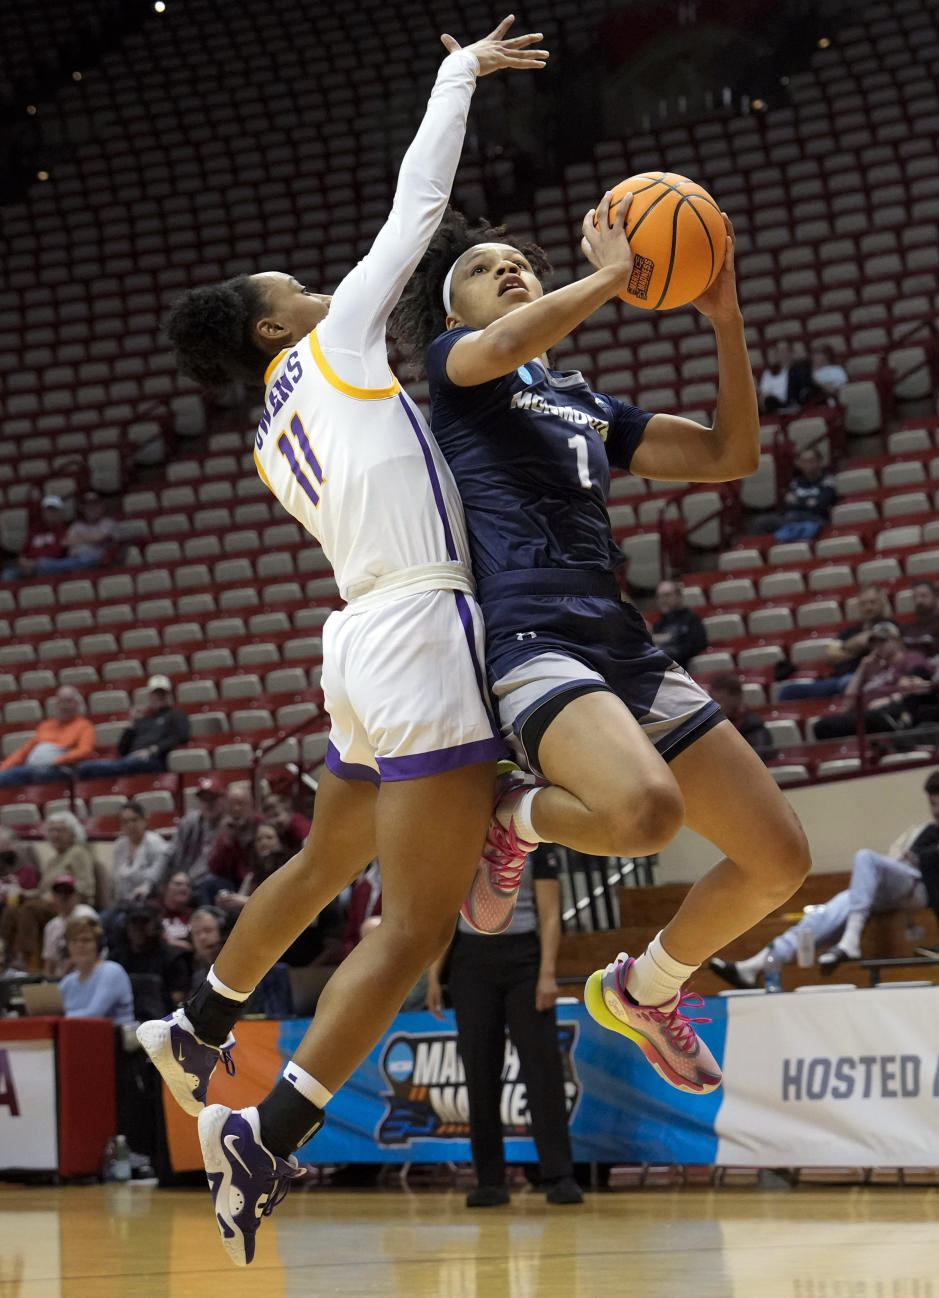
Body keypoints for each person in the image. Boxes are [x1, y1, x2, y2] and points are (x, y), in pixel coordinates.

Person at [135, 20, 548, 1268]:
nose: (311, 285)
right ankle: (269, 1124)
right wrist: (456, 73)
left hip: (356, 634)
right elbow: (419, 206)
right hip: (418, 621)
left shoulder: (270, 425)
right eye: (288, 288)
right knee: (416, 926)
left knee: (325, 859)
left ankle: (198, 1020)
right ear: (273, 328)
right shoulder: (332, 344)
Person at [391, 199, 808, 1091]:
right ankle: (518, 819)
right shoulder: (458, 367)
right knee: (644, 813)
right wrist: (612, 277)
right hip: (532, 633)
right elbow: (503, 349)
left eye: (519, 262)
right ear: (453, 310)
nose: (507, 270)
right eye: (482, 268)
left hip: (620, 638)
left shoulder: (585, 402)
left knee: (780, 862)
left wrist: (725, 321)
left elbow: (732, 453)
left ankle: (646, 988)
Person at [429, 844, 582, 1207]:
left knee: (542, 1068)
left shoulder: (536, 839)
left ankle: (559, 1175)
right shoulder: (460, 834)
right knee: (479, 1070)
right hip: (470, 960)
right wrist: (434, 974)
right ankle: (490, 1180)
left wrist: (547, 973)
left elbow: (549, 914)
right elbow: (446, 912)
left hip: (524, 961)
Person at [712, 769, 939, 983]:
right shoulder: (917, 831)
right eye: (934, 803)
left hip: (926, 888)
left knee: (865, 857)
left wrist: (921, 860)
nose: (937, 810)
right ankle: (754, 966)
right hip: (897, 887)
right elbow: (891, 861)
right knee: (828, 911)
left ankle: (850, 940)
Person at [1, 811, 97, 971]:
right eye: (52, 830)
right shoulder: (53, 860)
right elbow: (41, 892)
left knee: (29, 909)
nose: (55, 835)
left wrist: (61, 897)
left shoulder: (78, 854)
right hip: (46, 904)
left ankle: (24, 959)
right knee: (11, 910)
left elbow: (86, 888)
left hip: (68, 904)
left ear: (73, 833)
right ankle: (4, 954)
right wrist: (22, 893)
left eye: (60, 830)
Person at [811, 621, 932, 740]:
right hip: (867, 715)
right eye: (874, 644)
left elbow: (919, 683)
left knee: (825, 726)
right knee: (821, 726)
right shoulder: (875, 669)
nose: (877, 647)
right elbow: (848, 703)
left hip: (889, 713)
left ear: (897, 640)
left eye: (882, 641)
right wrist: (861, 669)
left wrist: (888, 700)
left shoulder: (910, 658)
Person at [779, 584, 893, 701]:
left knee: (848, 682)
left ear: (882, 604)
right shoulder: (849, 632)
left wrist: (844, 650)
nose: (868, 607)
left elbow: (873, 645)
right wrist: (858, 646)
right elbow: (830, 657)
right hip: (837, 679)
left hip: (869, 678)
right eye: (863, 604)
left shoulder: (890, 627)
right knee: (789, 691)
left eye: (873, 602)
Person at [76, 675, 189, 777]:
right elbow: (122, 749)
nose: (159, 697)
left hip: (154, 760)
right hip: (131, 760)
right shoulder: (142, 720)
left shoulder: (176, 715)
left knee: (91, 769)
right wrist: (132, 723)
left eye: (163, 693)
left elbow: (181, 736)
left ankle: (82, 769)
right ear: (150, 696)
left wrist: (152, 750)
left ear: (169, 695)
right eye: (156, 694)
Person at [0, 685, 96, 786]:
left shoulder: (84, 726)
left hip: (60, 769)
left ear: (77, 704)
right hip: (33, 768)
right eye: (61, 702)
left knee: (17, 774)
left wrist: (57, 761)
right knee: (10, 773)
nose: (64, 706)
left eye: (69, 701)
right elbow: (24, 751)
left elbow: (85, 750)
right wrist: (3, 768)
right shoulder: (46, 725)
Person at [59, 914, 135, 1025]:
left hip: (113, 1038)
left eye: (86, 940)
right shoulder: (68, 981)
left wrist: (55, 1020)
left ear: (98, 945)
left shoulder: (111, 972)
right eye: (74, 941)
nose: (80, 945)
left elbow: (94, 1014)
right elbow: (55, 1011)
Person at [747, 446, 837, 540]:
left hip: (816, 519)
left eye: (811, 460)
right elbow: (789, 502)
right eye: (804, 461)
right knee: (760, 522)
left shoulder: (828, 480)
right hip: (792, 518)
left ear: (819, 461)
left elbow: (822, 504)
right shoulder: (796, 482)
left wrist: (799, 501)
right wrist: (809, 502)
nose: (808, 464)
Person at [200, 781, 261, 902]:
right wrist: (228, 841)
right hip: (235, 882)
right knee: (209, 882)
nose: (236, 808)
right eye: (232, 805)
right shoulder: (226, 830)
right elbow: (214, 868)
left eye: (241, 804)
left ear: (251, 805)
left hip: (259, 880)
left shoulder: (261, 825)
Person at [31, 490, 116, 574]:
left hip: (95, 561)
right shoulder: (76, 525)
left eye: (95, 504)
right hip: (73, 560)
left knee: (87, 559)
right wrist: (90, 538)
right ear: (82, 508)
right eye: (88, 505)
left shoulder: (108, 522)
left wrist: (80, 538)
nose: (91, 508)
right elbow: (67, 542)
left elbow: (99, 537)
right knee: (43, 563)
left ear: (102, 506)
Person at [213, 822, 288, 915]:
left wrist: (247, 902)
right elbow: (240, 898)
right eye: (259, 839)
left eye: (269, 837)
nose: (263, 842)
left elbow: (284, 904)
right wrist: (229, 902)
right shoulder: (252, 875)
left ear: (280, 842)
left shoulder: (289, 869)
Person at [164, 779, 226, 886]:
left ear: (224, 799)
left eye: (212, 799)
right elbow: (170, 852)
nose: (208, 804)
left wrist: (188, 880)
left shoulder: (227, 827)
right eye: (204, 800)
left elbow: (210, 862)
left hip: (204, 883)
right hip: (180, 880)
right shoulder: (189, 821)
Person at [111, 801, 169, 903]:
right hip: (123, 902)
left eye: (134, 820)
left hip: (149, 900)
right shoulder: (119, 845)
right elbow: (117, 879)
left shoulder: (156, 843)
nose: (130, 825)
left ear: (145, 820)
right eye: (125, 822)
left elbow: (156, 876)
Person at [41, 875, 99, 977]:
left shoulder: (85, 914)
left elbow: (89, 953)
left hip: (85, 975)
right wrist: (47, 983)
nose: (63, 897)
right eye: (59, 893)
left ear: (77, 896)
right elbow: (49, 962)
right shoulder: (51, 926)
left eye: (68, 892)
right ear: (53, 897)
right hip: (60, 980)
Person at [1, 495, 67, 580]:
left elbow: (59, 552)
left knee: (44, 565)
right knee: (8, 574)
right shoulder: (34, 530)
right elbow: (24, 551)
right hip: (28, 566)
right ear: (43, 512)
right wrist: (24, 563)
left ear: (60, 513)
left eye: (54, 511)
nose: (51, 514)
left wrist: (35, 564)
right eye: (48, 511)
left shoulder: (64, 530)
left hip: (49, 567)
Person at [708, 674, 773, 759]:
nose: (715, 707)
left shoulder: (754, 727)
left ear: (737, 697)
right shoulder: (711, 727)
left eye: (720, 701)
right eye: (712, 702)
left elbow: (756, 759)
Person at [648, 580, 707, 670]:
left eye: (667, 595)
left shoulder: (692, 620)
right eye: (659, 597)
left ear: (679, 596)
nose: (662, 600)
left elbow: (697, 646)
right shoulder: (657, 627)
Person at [900, 580, 939, 659]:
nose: (919, 601)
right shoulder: (906, 628)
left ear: (936, 597)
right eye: (915, 597)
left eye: (924, 596)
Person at [158, 871, 195, 950]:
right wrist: (169, 941)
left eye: (188, 885)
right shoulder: (152, 909)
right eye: (178, 884)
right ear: (165, 887)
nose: (184, 888)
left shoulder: (194, 915)